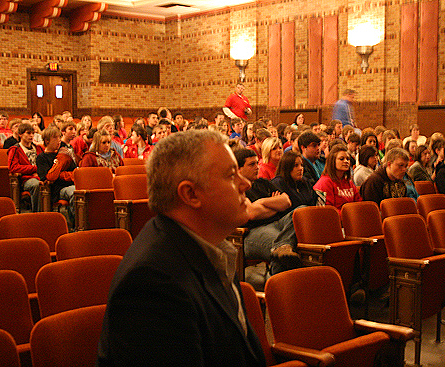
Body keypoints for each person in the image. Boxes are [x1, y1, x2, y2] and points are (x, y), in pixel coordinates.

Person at [97, 130, 266, 367]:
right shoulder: (151, 283)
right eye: (231, 175)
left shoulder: (213, 246)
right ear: (190, 194)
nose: (246, 183)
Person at [234, 148, 302, 276]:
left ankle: (282, 247)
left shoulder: (263, 182)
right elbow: (252, 213)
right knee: (288, 251)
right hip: (254, 232)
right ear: (239, 169)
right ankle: (278, 288)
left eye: (257, 163)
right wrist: (274, 204)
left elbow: (286, 202)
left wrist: (260, 202)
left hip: (279, 223)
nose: (257, 167)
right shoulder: (237, 187)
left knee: (300, 211)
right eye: (251, 164)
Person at [36, 126, 76, 223]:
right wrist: (60, 168)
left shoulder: (64, 154)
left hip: (71, 183)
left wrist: (62, 174)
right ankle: (76, 225)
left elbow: (75, 172)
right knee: (75, 193)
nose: (59, 140)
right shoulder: (42, 157)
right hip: (57, 189)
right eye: (55, 138)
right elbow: (47, 177)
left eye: (59, 137)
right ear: (47, 141)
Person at [7, 122, 43, 212]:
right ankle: (37, 214)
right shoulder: (15, 149)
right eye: (28, 133)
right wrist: (34, 169)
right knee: (36, 185)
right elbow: (13, 167)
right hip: (26, 179)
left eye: (33, 133)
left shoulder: (38, 148)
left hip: (40, 176)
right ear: (20, 134)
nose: (31, 136)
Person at [314, 144, 362, 210]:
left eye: (348, 159)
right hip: (335, 218)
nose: (346, 161)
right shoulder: (325, 182)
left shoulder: (348, 182)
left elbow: (359, 202)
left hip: (351, 217)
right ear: (332, 161)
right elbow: (328, 210)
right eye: (341, 159)